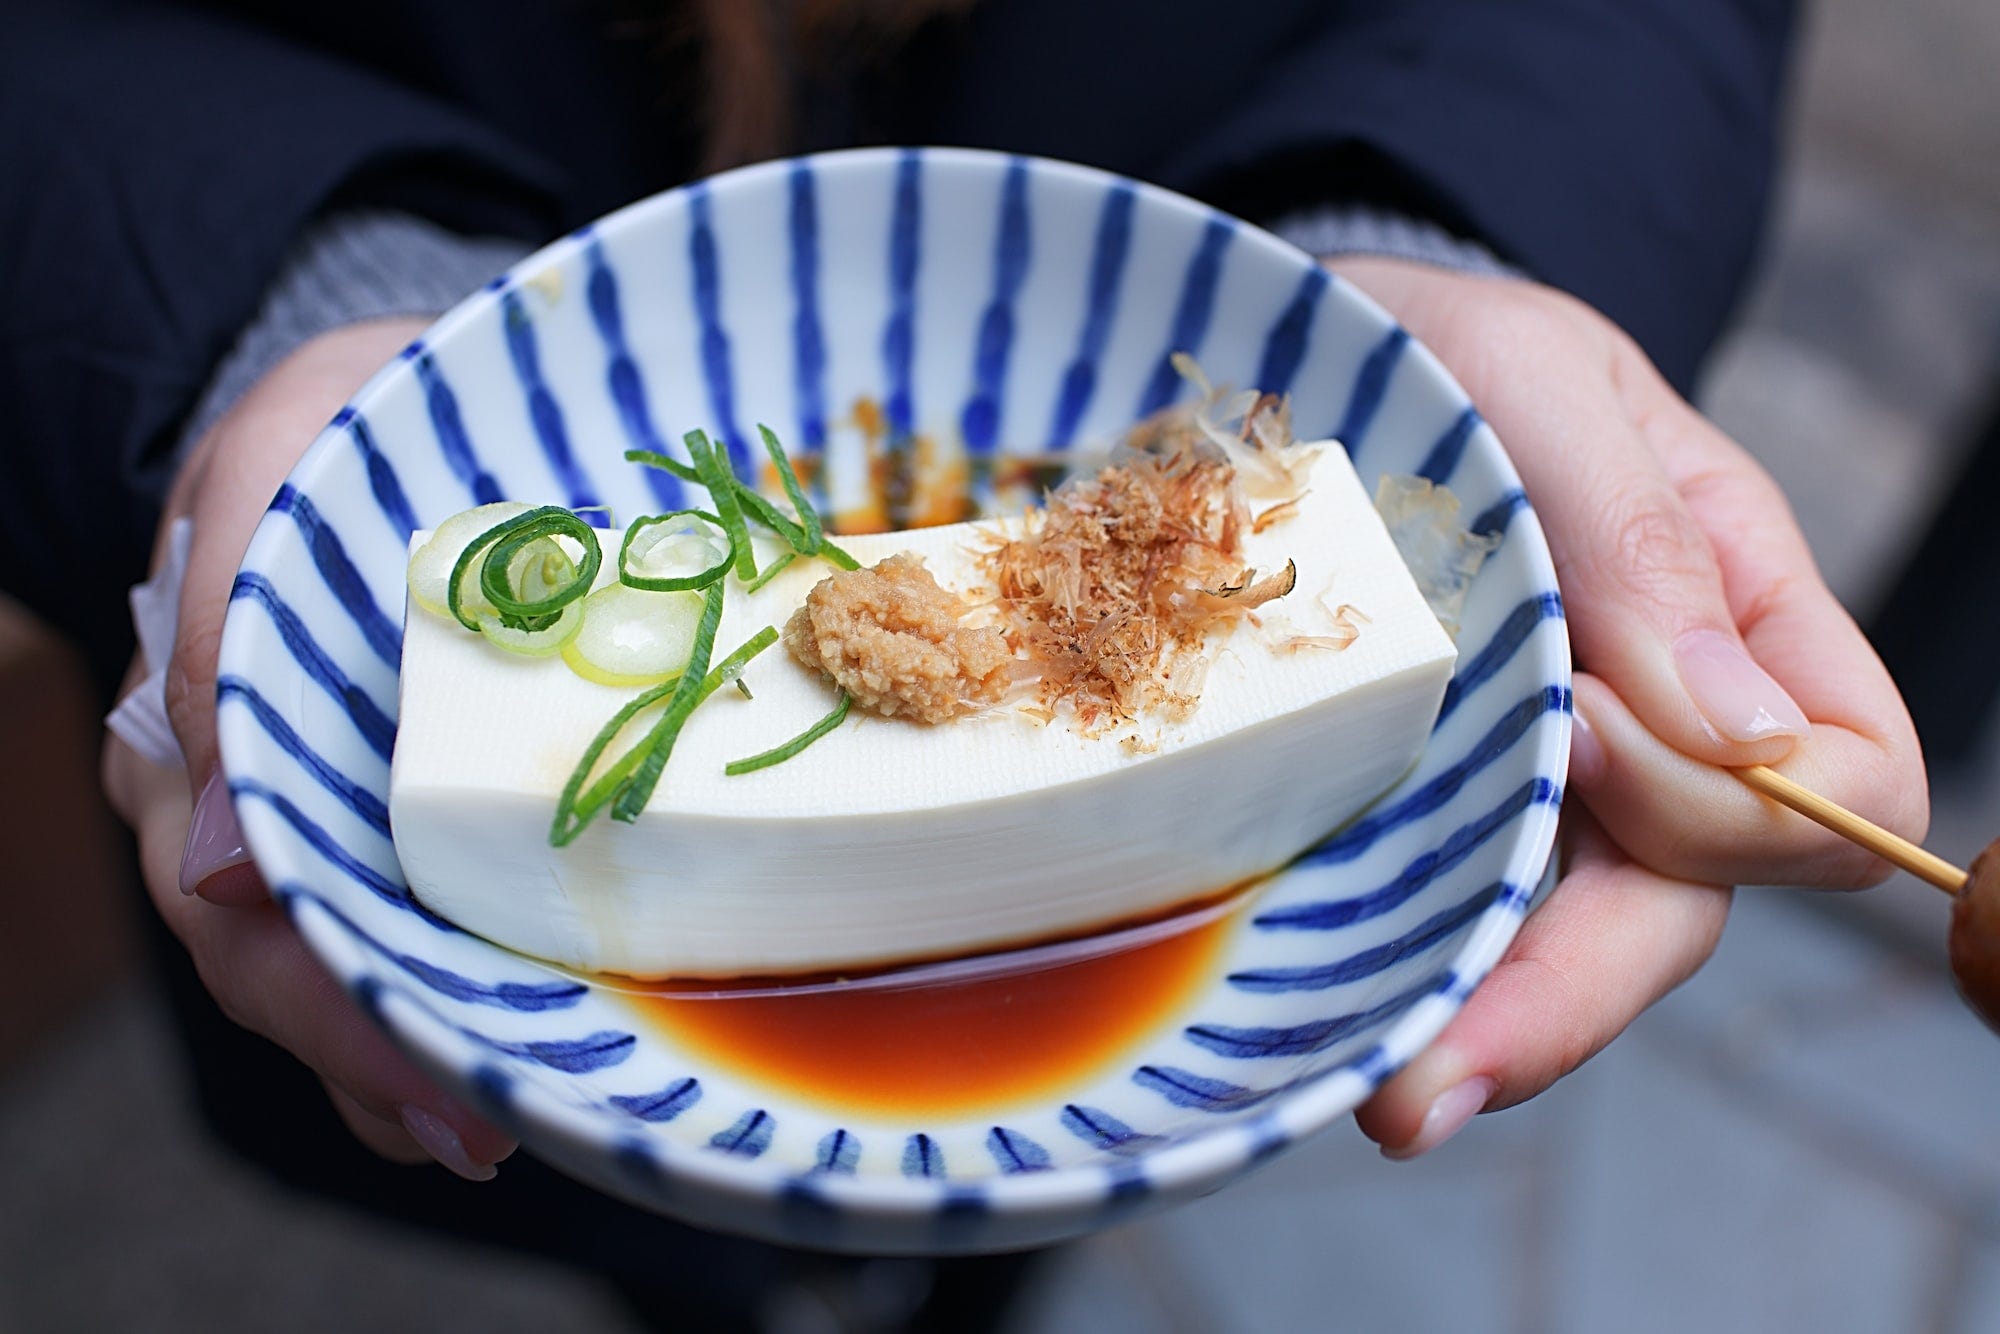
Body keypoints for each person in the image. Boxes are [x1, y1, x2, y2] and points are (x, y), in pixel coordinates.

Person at [12, 0, 1927, 1325]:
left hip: (1217, 354)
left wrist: (1411, 271)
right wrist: (278, 303)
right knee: (636, 1243)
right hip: (509, 995)